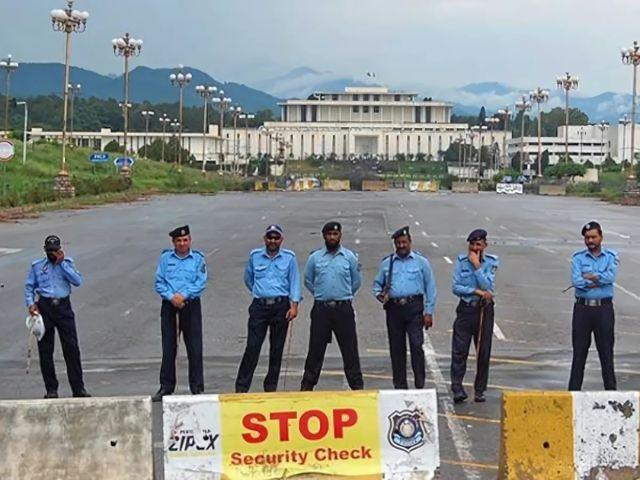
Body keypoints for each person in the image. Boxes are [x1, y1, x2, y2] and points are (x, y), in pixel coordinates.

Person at [235, 224, 301, 393]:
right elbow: (248, 279)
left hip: (281, 306)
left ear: (281, 240)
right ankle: (241, 388)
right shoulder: (255, 256)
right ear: (264, 239)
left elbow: (294, 282)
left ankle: (271, 387)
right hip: (260, 307)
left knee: (276, 349)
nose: (273, 241)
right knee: (252, 347)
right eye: (270, 237)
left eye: (276, 238)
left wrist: (294, 305)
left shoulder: (289, 258)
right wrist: (260, 292)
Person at [24, 235, 90, 398]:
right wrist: (31, 304)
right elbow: (29, 287)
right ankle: (51, 389)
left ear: (60, 249)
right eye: (49, 251)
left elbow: (77, 281)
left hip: (63, 307)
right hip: (45, 306)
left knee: (71, 348)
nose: (52, 254)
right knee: (46, 350)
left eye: (55, 250)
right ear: (45, 251)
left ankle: (78, 388)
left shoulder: (67, 263)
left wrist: (62, 265)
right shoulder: (37, 266)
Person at [301, 221, 363, 391]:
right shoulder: (315, 258)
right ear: (324, 236)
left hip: (343, 308)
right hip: (321, 309)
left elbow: (356, 281)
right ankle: (307, 386)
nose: (332, 237)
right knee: (315, 349)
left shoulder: (349, 257)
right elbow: (308, 280)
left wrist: (343, 295)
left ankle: (357, 386)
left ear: (340, 235)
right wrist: (322, 294)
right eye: (329, 234)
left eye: (335, 234)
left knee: (350, 350)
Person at [372, 226, 437, 389]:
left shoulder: (421, 262)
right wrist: (379, 295)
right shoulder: (387, 263)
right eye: (398, 243)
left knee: (416, 345)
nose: (401, 246)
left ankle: (420, 384)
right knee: (397, 349)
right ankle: (400, 386)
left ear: (410, 242)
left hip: (414, 307)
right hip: (394, 309)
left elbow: (430, 287)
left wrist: (428, 312)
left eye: (404, 242)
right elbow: (377, 284)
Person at [153, 225, 208, 402]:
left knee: (195, 348)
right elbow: (159, 282)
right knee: (169, 347)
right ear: (173, 242)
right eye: (179, 241)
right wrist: (171, 297)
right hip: (170, 306)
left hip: (190, 305)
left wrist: (183, 295)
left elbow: (201, 282)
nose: (182, 243)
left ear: (190, 240)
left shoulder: (198, 258)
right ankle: (166, 387)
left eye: (185, 240)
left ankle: (197, 387)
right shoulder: (165, 258)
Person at [450, 229, 499, 404]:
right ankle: (457, 388)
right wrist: (475, 291)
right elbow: (456, 287)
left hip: (483, 310)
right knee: (459, 350)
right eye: (472, 245)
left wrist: (477, 266)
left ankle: (479, 390)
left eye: (478, 245)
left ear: (485, 245)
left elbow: (488, 286)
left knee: (483, 351)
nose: (475, 248)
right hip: (466, 309)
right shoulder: (462, 262)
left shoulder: (491, 262)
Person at [568, 221, 619, 391]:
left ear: (601, 237)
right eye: (587, 238)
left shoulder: (611, 256)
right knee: (579, 354)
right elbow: (577, 281)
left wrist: (591, 277)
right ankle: (573, 393)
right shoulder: (578, 258)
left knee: (606, 353)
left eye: (593, 237)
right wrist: (598, 280)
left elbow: (610, 277)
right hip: (582, 310)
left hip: (603, 310)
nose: (590, 240)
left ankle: (611, 393)